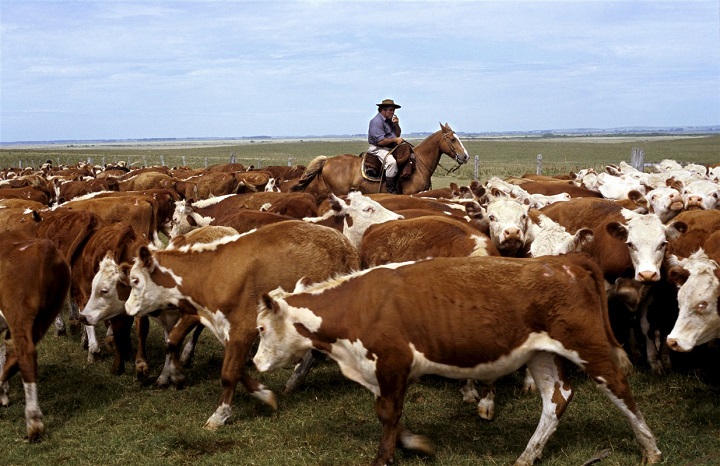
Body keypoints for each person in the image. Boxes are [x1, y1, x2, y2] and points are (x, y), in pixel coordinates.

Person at [368, 98, 404, 194]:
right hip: (378, 148)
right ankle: (390, 190)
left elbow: (397, 134)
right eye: (391, 110)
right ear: (383, 110)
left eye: (393, 110)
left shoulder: (389, 121)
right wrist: (395, 140)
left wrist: (396, 125)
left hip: (388, 147)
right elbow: (380, 142)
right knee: (391, 163)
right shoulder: (376, 121)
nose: (393, 112)